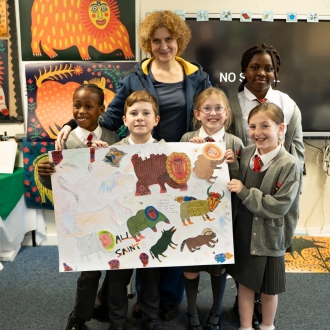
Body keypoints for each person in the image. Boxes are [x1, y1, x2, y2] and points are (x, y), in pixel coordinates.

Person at [57, 10, 212, 321]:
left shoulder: (198, 76)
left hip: (178, 163)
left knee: (171, 230)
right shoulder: (134, 77)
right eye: (156, 41)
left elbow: (207, 112)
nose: (163, 46)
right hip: (138, 161)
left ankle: (165, 301)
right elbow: (112, 117)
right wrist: (73, 123)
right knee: (138, 226)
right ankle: (131, 299)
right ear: (147, 43)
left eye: (169, 39)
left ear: (179, 40)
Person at [226, 43, 305, 328]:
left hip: (278, 183)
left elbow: (297, 146)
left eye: (268, 68)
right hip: (244, 189)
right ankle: (245, 308)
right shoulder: (231, 104)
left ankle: (264, 310)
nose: (261, 73)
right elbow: (229, 147)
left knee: (270, 263)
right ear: (244, 71)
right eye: (254, 67)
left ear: (276, 72)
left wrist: (289, 180)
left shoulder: (288, 104)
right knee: (246, 262)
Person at [37, 84, 119, 330]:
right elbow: (58, 181)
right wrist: (45, 175)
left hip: (110, 212)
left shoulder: (113, 138)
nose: (81, 111)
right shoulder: (65, 141)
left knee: (116, 265)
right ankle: (79, 317)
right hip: (84, 217)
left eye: (88, 106)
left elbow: (121, 174)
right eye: (76, 105)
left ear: (101, 109)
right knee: (90, 269)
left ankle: (104, 305)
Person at [92, 90, 162, 330]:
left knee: (151, 277)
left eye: (146, 113)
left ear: (156, 120)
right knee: (117, 277)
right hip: (120, 225)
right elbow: (98, 178)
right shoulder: (114, 151)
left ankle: (150, 318)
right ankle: (118, 321)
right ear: (124, 120)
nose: (140, 118)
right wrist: (97, 155)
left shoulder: (166, 150)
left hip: (150, 227)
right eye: (133, 113)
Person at [180, 87, 244, 330]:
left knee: (219, 269)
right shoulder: (187, 139)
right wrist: (190, 152)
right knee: (191, 266)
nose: (213, 113)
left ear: (226, 113)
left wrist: (234, 164)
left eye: (218, 108)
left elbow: (240, 182)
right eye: (206, 109)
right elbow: (180, 180)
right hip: (195, 215)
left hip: (222, 219)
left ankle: (216, 312)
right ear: (197, 114)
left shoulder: (235, 143)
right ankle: (192, 311)